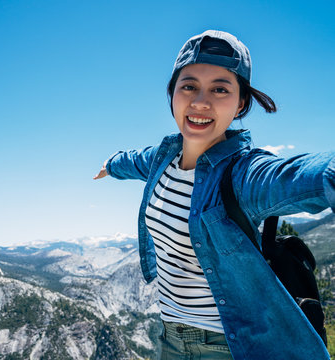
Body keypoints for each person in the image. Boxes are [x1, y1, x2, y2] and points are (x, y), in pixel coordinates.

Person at [93, 30, 334, 360]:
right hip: (170, 338)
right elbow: (134, 160)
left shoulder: (243, 175)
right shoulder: (163, 159)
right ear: (173, 94)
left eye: (220, 89)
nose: (200, 101)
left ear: (240, 104)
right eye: (189, 85)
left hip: (227, 347)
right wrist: (110, 164)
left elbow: (302, 176)